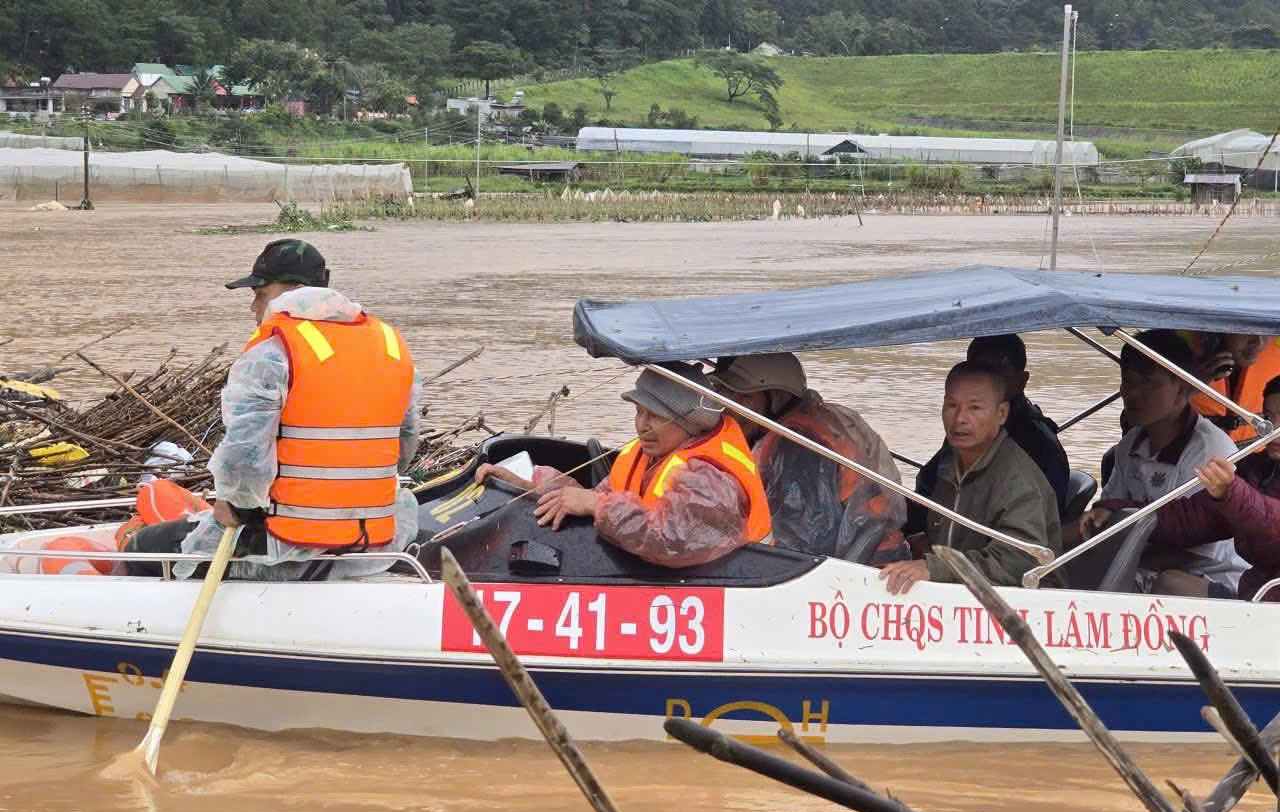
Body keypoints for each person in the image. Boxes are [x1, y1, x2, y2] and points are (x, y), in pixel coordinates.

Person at [124, 238, 421, 580]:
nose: (253, 306)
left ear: (290, 291)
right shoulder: (389, 345)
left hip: (288, 546)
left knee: (143, 548)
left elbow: (245, 455)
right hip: (372, 542)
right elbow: (404, 447)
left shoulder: (275, 351)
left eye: (260, 294)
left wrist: (234, 505)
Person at [476, 363, 770, 568]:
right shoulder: (649, 454)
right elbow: (597, 497)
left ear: (688, 422)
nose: (641, 426)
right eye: (639, 412)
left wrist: (597, 505)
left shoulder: (709, 477)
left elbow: (674, 541)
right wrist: (524, 488)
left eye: (654, 416)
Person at [1078, 329, 1246, 597]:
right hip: (1142, 564)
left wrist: (1110, 558)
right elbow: (1109, 514)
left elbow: (1193, 550)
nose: (1132, 394)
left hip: (1207, 578)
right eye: (1128, 381)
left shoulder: (1209, 452)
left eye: (1147, 383)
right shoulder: (1129, 446)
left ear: (1182, 389)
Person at [708, 352, 909, 564]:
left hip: (865, 570)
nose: (732, 407)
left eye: (745, 397)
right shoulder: (812, 422)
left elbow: (802, 545)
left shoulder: (798, 447)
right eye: (726, 394)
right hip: (871, 555)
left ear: (777, 398)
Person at [880, 361, 1062, 594]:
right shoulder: (948, 464)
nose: (960, 419)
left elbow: (1016, 564)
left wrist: (936, 568)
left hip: (1024, 603)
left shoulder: (1018, 481)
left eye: (974, 408)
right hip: (959, 593)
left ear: (1002, 413)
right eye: (951, 405)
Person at [909, 335, 1069, 533]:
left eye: (975, 407)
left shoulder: (1033, 450)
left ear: (1021, 381)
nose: (960, 417)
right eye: (974, 372)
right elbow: (928, 492)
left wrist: (932, 564)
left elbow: (1017, 554)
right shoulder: (967, 434)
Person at [1148, 375, 1280, 601]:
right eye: (1268, 418)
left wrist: (1231, 493)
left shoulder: (1240, 487)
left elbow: (1273, 524)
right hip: (1256, 599)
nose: (1273, 429)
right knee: (1170, 584)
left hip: (1269, 609)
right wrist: (1121, 513)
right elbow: (1192, 518)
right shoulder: (1259, 470)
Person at [1188, 333, 1280, 443]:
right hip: (1194, 448)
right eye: (1247, 331)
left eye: (1267, 332)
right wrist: (1193, 383)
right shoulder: (1178, 350)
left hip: (1254, 452)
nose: (1259, 343)